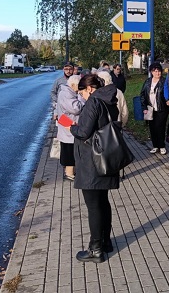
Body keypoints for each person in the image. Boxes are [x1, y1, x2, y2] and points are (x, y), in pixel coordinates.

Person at [67, 74, 120, 263]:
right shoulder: (110, 100)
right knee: (103, 203)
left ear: (89, 88)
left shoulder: (93, 102)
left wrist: (70, 126)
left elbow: (83, 132)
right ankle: (105, 242)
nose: (81, 96)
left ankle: (95, 249)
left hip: (92, 161)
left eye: (81, 92)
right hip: (106, 157)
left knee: (94, 207)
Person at [56, 74, 84, 181]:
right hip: (68, 128)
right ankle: (69, 173)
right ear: (73, 85)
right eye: (79, 86)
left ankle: (72, 172)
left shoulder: (68, 92)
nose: (80, 88)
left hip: (68, 126)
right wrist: (82, 100)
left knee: (71, 150)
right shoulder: (66, 94)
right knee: (69, 152)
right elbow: (75, 108)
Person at [139, 62, 169, 155]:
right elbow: (142, 94)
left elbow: (167, 94)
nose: (157, 73)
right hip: (150, 108)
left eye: (159, 71)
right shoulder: (148, 81)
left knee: (160, 126)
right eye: (155, 71)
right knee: (152, 127)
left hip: (161, 108)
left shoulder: (164, 81)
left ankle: (162, 146)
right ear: (151, 72)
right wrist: (144, 107)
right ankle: (155, 145)